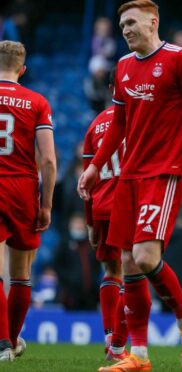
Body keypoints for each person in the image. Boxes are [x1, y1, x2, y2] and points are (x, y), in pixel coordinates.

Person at [77, 1, 182, 371]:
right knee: (128, 263)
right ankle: (138, 355)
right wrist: (94, 167)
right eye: (122, 23)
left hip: (164, 171)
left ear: (153, 22)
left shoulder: (179, 58)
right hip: (129, 175)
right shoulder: (123, 67)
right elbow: (121, 123)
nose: (125, 29)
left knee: (144, 256)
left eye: (132, 22)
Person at [0, 40, 56, 361]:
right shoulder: (37, 101)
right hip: (22, 188)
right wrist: (45, 204)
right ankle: (10, 341)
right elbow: (48, 159)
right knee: (21, 274)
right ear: (22, 69)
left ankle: (3, 343)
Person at [81, 67, 128, 361]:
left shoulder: (95, 124)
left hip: (101, 207)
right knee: (133, 272)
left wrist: (89, 221)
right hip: (129, 203)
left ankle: (110, 336)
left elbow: (87, 178)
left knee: (112, 272)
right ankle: (122, 344)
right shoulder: (138, 118)